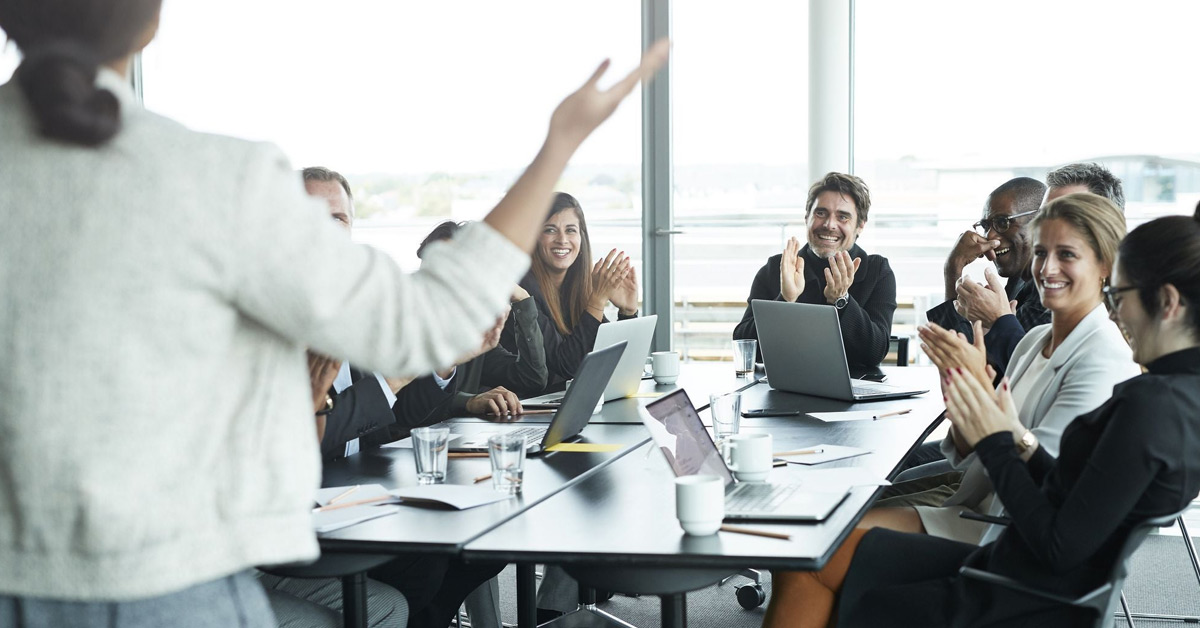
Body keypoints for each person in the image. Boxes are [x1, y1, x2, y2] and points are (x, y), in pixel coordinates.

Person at [0, 0, 670, 624]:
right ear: (149, 24)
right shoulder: (214, 178)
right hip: (175, 583)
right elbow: (430, 321)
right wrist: (560, 141)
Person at [761, 208, 1200, 628]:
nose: (1116, 311)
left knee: (821, 565)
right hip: (1024, 568)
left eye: (1118, 296)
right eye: (1042, 252)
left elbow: (1057, 542)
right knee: (818, 552)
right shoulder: (1173, 400)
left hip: (1014, 587)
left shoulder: (1146, 402)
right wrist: (998, 425)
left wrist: (995, 434)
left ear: (1166, 302)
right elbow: (1069, 490)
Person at [867, 194, 1139, 538]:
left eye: (1066, 255)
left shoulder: (1104, 358)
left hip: (1013, 529)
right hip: (980, 503)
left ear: (1105, 266)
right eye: (1041, 254)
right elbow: (970, 452)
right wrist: (965, 392)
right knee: (843, 523)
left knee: (840, 533)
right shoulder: (1034, 339)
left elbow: (1044, 480)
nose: (1046, 268)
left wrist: (983, 405)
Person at [298, 167, 462, 460]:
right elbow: (299, 439)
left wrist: (443, 361)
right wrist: (392, 380)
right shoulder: (263, 317)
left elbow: (401, 416)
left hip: (369, 488)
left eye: (338, 218)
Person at [950, 163, 1125, 373]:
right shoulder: (1025, 286)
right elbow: (965, 367)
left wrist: (998, 321)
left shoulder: (1108, 345)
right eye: (1045, 215)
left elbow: (1031, 374)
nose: (1047, 269)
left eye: (1069, 216)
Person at [733, 172, 896, 368]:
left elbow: (874, 353)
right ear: (807, 218)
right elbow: (745, 347)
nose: (829, 225)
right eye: (821, 213)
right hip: (786, 390)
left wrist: (841, 301)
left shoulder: (877, 271)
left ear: (860, 226)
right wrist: (785, 301)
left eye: (843, 217)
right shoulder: (777, 268)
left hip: (854, 391)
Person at [501, 191, 639, 391]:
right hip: (524, 408)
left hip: (565, 402)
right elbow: (567, 365)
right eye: (550, 230)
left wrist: (628, 312)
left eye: (571, 230)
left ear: (581, 238)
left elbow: (615, 363)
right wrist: (598, 300)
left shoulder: (576, 287)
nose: (562, 240)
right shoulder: (521, 291)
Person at [417, 221, 549, 417]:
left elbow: (532, 378)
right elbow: (409, 410)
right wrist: (468, 401)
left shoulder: (473, 332)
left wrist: (521, 298)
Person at [926, 177, 1049, 373]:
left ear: (1040, 222)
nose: (990, 236)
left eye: (1002, 222)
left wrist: (953, 269)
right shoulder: (1017, 282)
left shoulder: (1047, 290)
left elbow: (970, 367)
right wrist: (952, 269)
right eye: (985, 226)